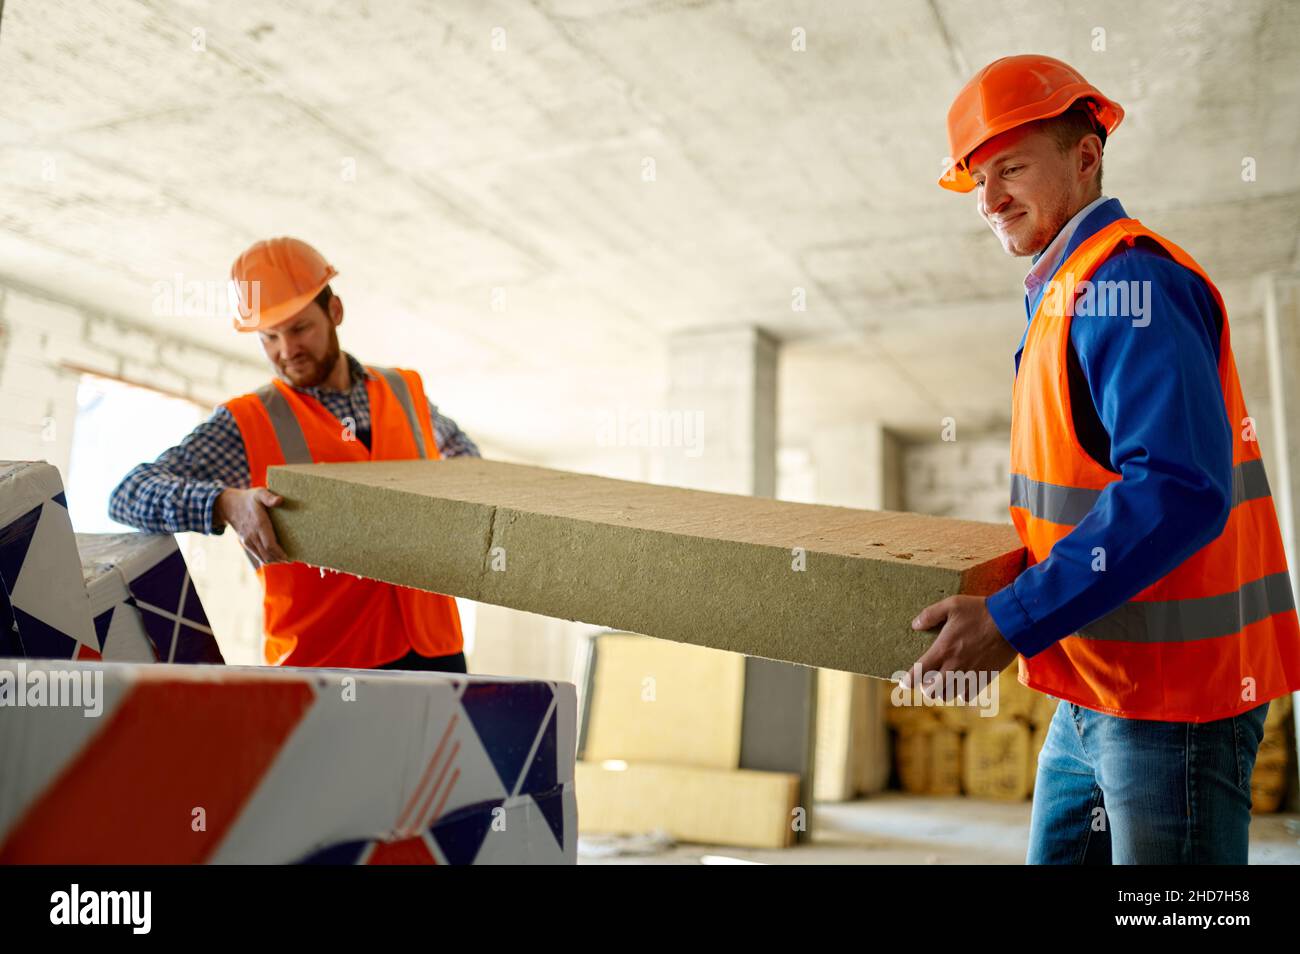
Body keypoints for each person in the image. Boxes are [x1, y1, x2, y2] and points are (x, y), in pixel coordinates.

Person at [905, 54, 1300, 863]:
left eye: (1010, 168)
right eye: (977, 180)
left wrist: (1012, 619)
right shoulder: (1064, 289)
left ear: (1086, 157)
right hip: (1092, 683)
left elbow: (1180, 491)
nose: (989, 201)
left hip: (1172, 705)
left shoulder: (1130, 281)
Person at [111, 237, 479, 673]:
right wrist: (226, 503)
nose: (287, 351)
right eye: (270, 337)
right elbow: (128, 495)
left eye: (300, 328)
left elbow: (466, 461)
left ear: (334, 312)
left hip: (437, 646)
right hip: (324, 662)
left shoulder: (405, 389)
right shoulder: (245, 421)